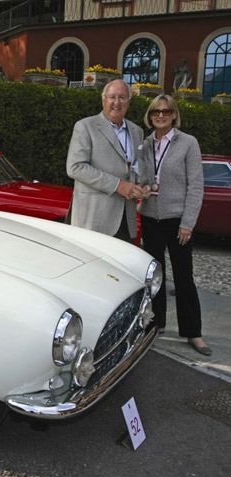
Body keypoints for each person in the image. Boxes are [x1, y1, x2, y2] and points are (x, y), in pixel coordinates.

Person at [138, 95, 211, 355]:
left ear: (174, 114)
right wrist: (144, 187)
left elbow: (196, 186)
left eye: (166, 111)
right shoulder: (145, 144)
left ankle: (193, 332)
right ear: (150, 115)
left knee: (184, 277)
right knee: (154, 277)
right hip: (150, 217)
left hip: (177, 221)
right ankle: (156, 325)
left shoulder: (188, 143)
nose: (161, 115)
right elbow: (143, 176)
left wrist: (188, 223)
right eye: (156, 111)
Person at [66, 79, 146, 242]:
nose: (117, 102)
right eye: (112, 97)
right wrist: (118, 185)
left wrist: (142, 185)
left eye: (122, 97)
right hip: (94, 220)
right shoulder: (85, 126)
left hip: (126, 219)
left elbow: (135, 167)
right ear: (104, 100)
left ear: (129, 102)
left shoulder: (137, 131)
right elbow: (75, 167)